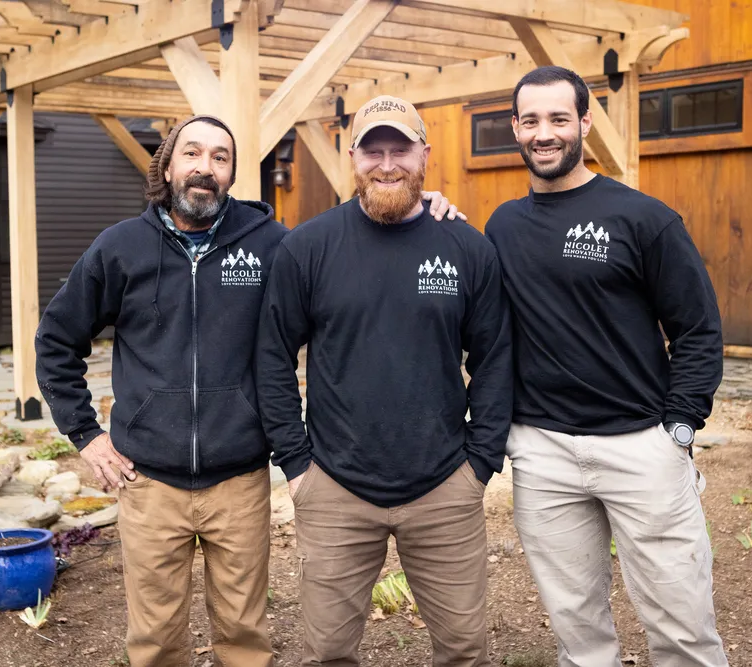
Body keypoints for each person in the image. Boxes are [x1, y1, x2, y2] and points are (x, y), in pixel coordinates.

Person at [34, 113, 463, 667]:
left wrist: (425, 214)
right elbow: (56, 340)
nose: (204, 169)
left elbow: (346, 262)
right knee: (156, 639)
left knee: (243, 635)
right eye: (192, 154)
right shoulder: (120, 248)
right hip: (149, 480)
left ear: (234, 173)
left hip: (238, 477)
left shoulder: (270, 246)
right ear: (166, 164)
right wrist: (86, 434)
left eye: (220, 157)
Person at [483, 66, 729, 667]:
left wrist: (680, 427)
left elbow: (697, 328)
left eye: (559, 119)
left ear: (585, 123)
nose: (545, 133)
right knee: (578, 633)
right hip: (543, 455)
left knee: (682, 629)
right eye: (532, 120)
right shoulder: (502, 227)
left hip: (641, 447)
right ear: (515, 128)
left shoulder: (643, 219)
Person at [255, 95, 513, 667]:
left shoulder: (467, 248)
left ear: (425, 153)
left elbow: (494, 357)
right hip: (335, 487)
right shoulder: (309, 247)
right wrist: (296, 464)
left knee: (465, 650)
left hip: (445, 485)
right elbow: (272, 357)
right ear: (353, 156)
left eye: (402, 149)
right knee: (328, 651)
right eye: (374, 150)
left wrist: (480, 462)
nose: (388, 163)